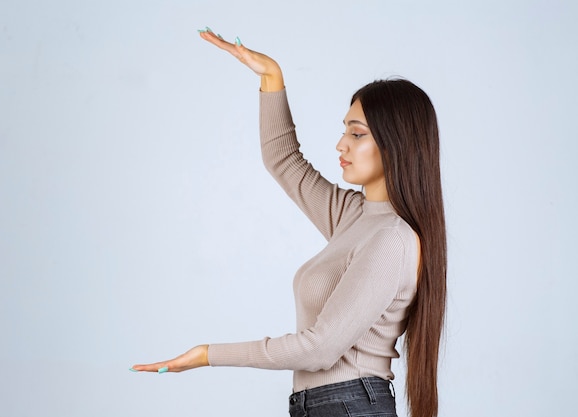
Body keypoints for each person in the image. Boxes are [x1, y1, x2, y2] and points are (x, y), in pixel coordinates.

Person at [131, 27, 447, 417]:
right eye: (343, 129)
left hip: (348, 406)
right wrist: (271, 78)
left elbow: (320, 348)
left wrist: (207, 355)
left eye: (356, 133)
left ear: (396, 143)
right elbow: (284, 159)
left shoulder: (391, 239)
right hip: (324, 406)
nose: (341, 144)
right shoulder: (354, 215)